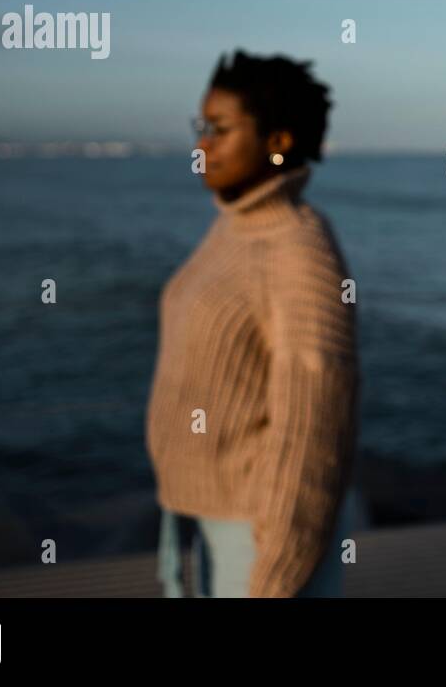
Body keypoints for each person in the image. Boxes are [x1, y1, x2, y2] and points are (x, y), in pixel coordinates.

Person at [145, 49, 360, 597]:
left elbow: (314, 429)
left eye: (219, 129)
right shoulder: (235, 227)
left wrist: (277, 574)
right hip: (206, 518)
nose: (202, 146)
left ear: (279, 140)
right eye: (201, 127)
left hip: (258, 538)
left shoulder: (297, 250)